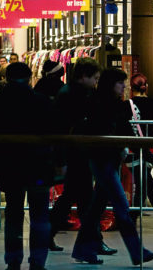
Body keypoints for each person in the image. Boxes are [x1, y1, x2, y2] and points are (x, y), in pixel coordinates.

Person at [0, 62, 54, 270]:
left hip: (10, 166)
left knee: (14, 214)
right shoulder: (42, 102)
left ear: (6, 78)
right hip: (39, 166)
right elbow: (57, 131)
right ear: (29, 79)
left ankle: (13, 263)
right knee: (40, 217)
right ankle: (37, 264)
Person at [72, 68, 153, 265]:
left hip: (107, 160)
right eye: (120, 83)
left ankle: (82, 249)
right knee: (121, 207)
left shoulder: (106, 103)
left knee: (96, 208)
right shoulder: (101, 104)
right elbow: (120, 132)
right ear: (111, 84)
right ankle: (137, 251)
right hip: (104, 161)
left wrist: (148, 156)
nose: (124, 87)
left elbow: (127, 132)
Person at [49, 58, 116, 255]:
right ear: (84, 76)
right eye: (94, 78)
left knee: (73, 197)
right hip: (77, 154)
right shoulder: (72, 96)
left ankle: (50, 233)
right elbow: (64, 128)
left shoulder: (72, 93)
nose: (96, 82)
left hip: (76, 154)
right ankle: (93, 240)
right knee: (86, 199)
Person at [123, 73, 153, 229]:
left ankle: (130, 218)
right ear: (146, 86)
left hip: (133, 150)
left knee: (144, 185)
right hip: (148, 149)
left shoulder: (128, 105)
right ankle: (134, 217)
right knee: (146, 184)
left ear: (131, 88)